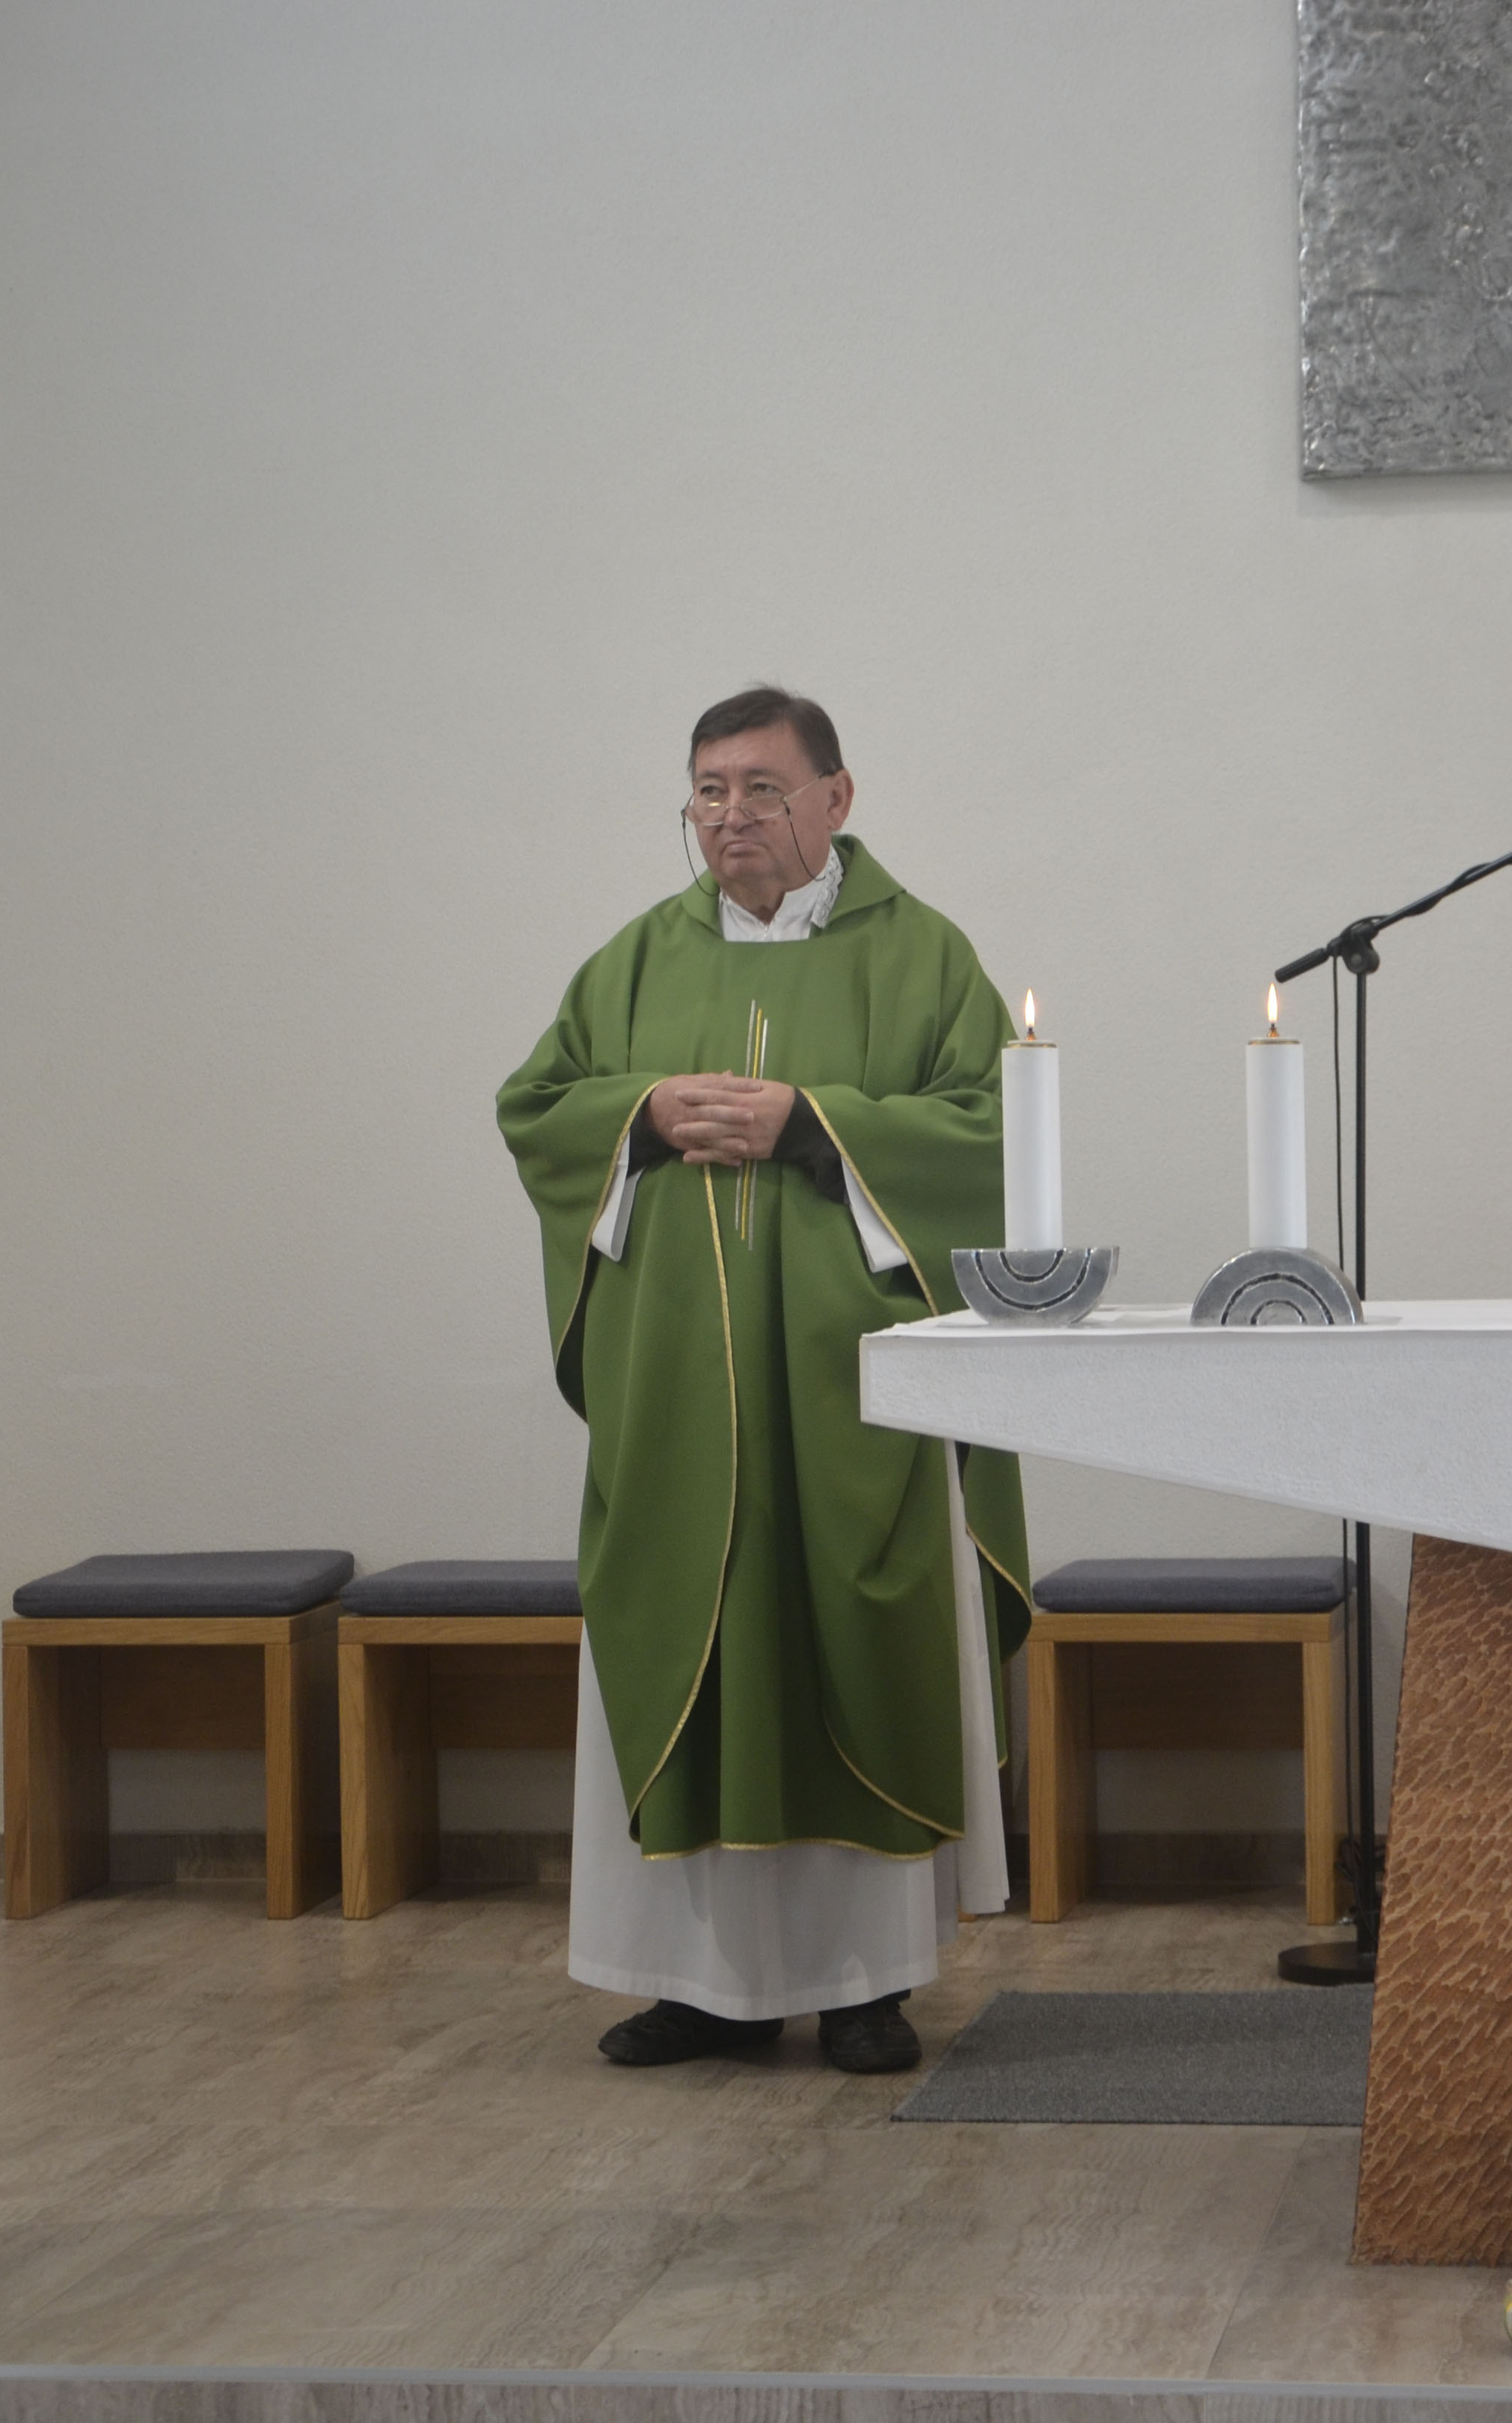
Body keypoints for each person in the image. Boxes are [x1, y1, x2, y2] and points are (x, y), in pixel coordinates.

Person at [497, 688, 1032, 2075]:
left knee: (854, 1636)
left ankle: (866, 1983)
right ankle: (698, 1986)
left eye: (761, 788)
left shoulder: (923, 958)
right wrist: (639, 1115)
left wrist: (817, 1125)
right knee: (691, 1627)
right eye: (707, 790)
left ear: (836, 799)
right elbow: (536, 1109)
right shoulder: (632, 962)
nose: (729, 816)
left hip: (856, 1401)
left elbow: (995, 1133)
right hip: (678, 1392)